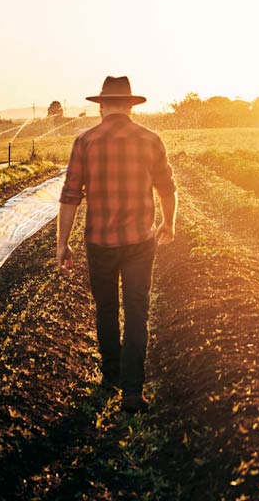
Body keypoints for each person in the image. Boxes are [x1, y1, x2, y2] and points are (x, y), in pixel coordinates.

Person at [56, 75, 176, 413]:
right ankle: (132, 393)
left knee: (106, 310)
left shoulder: (85, 142)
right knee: (137, 311)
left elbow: (70, 196)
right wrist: (170, 223)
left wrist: (61, 244)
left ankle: (109, 380)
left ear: (102, 106)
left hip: (99, 241)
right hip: (140, 239)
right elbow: (167, 188)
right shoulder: (150, 140)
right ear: (130, 107)